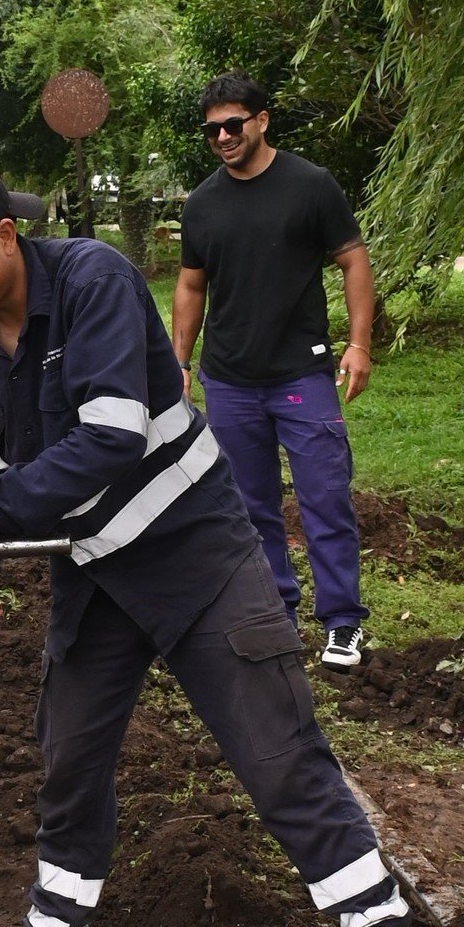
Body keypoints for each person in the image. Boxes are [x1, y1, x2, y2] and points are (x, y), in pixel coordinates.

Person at [0, 156, 431, 927]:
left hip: (195, 554)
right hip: (94, 573)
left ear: (5, 234)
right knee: (67, 766)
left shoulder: (93, 280)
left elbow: (109, 438)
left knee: (279, 763)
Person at [172, 75, 375, 671]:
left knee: (325, 498)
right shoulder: (203, 204)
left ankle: (342, 622)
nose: (222, 137)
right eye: (212, 129)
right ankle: (276, 610)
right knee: (250, 505)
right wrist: (178, 362)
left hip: (301, 375)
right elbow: (190, 285)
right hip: (229, 381)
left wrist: (358, 344)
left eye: (233, 124)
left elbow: (353, 261)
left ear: (262, 120)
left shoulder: (310, 186)